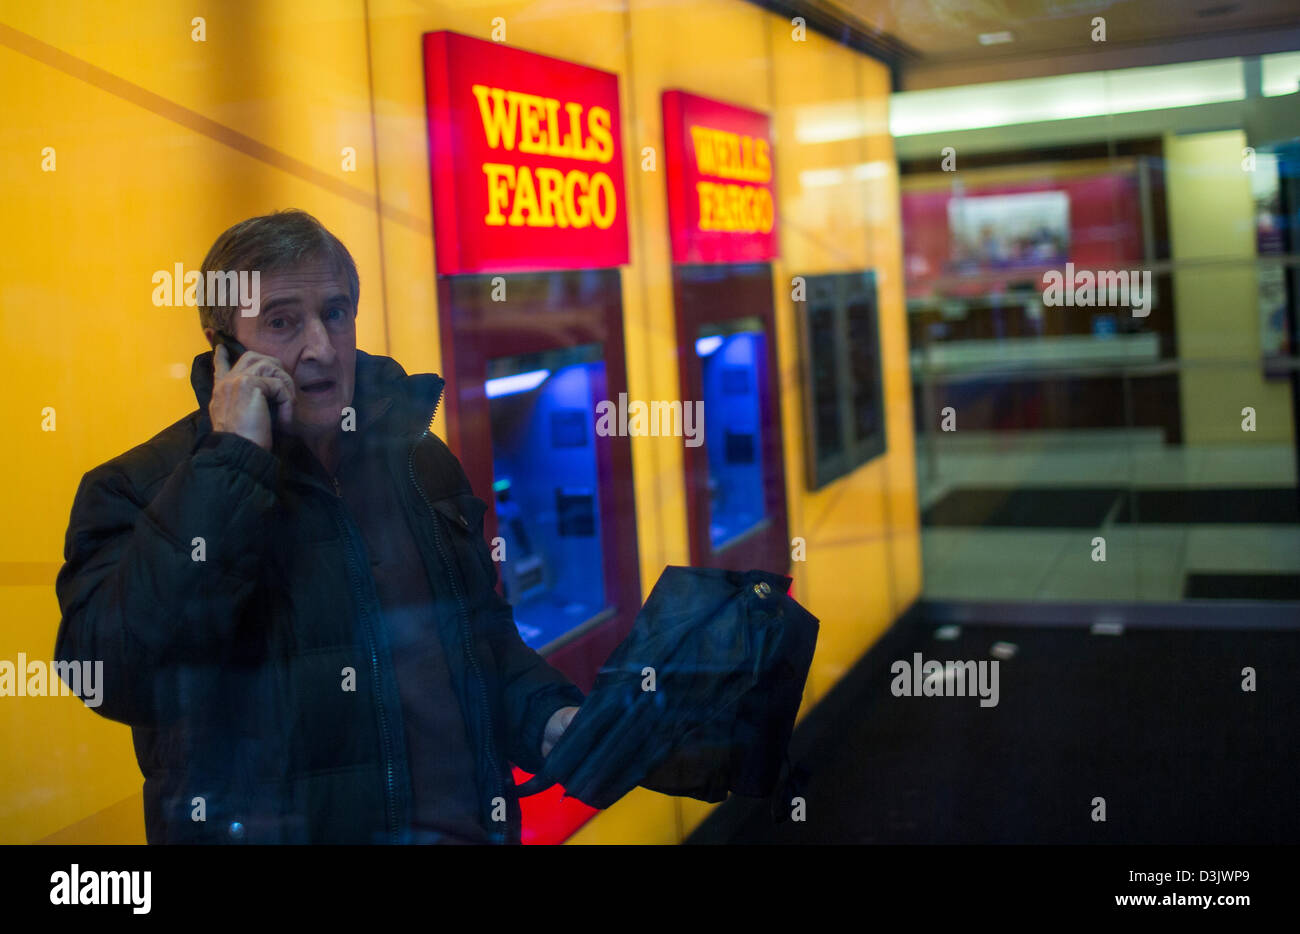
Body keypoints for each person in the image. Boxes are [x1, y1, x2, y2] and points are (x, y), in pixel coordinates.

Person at [54, 209, 583, 844]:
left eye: (335, 312)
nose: (322, 348)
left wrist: (549, 715)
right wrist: (232, 465)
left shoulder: (418, 461)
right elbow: (112, 677)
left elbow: (479, 645)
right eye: (281, 321)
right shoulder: (137, 490)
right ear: (224, 348)